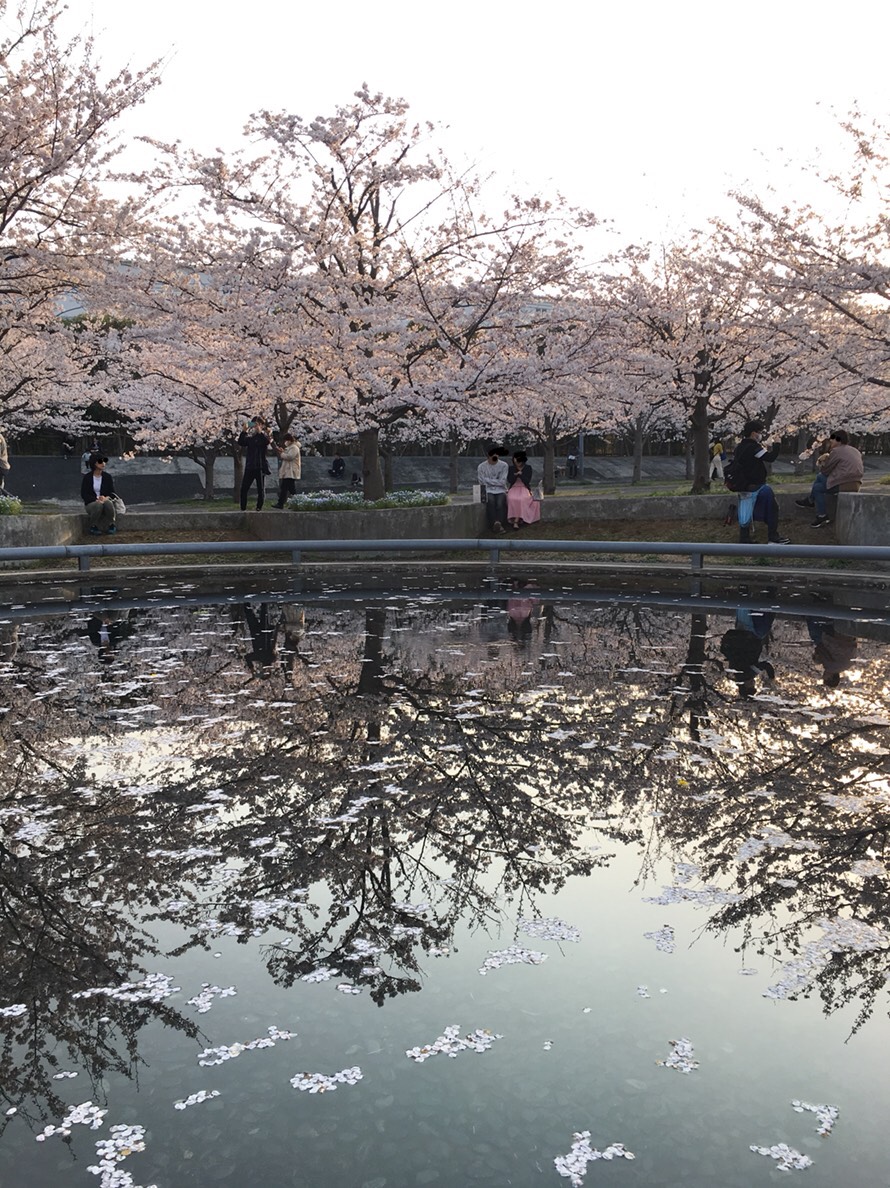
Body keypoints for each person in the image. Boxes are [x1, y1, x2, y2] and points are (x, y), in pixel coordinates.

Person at [730, 420, 790, 544]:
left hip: (742, 485)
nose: (760, 435)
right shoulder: (753, 447)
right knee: (772, 507)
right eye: (759, 432)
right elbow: (770, 458)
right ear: (753, 433)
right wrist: (777, 444)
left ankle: (744, 538)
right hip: (756, 485)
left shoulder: (739, 447)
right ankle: (773, 537)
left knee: (745, 512)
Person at [796, 431, 864, 527]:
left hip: (843, 484)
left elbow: (826, 470)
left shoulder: (837, 451)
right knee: (819, 484)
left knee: (818, 485)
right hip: (856, 484)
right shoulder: (855, 450)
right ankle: (813, 504)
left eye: (832, 439)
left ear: (838, 440)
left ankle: (819, 512)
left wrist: (822, 463)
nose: (830, 441)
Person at [238, 416, 272, 511]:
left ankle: (258, 507)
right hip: (250, 466)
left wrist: (260, 431)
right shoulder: (250, 438)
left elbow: (266, 442)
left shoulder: (265, 436)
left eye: (257, 424)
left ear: (261, 425)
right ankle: (243, 508)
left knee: (260, 489)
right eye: (254, 424)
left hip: (260, 466)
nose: (255, 426)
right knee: (244, 488)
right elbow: (241, 442)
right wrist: (244, 431)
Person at [80, 454, 117, 535]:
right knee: (98, 505)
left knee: (108, 503)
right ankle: (93, 526)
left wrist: (105, 498)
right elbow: (84, 494)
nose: (103, 463)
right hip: (92, 503)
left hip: (105, 501)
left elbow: (112, 493)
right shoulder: (87, 477)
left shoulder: (107, 477)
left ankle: (112, 525)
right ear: (95, 464)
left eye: (104, 461)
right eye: (100, 461)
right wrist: (96, 499)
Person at [476, 446, 509, 533]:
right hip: (488, 490)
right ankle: (494, 523)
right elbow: (481, 481)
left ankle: (499, 523)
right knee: (490, 501)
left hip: (501, 489)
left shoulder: (504, 465)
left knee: (500, 502)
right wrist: (495, 481)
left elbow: (502, 482)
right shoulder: (481, 467)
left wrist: (488, 480)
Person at [506, 451, 541, 529]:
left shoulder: (528, 468)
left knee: (521, 499)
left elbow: (527, 481)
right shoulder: (511, 468)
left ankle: (516, 520)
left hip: (524, 488)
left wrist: (521, 475)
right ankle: (513, 518)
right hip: (514, 487)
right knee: (511, 498)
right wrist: (515, 476)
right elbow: (510, 480)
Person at [273, 433, 301, 508]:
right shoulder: (290, 447)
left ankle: (285, 503)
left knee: (288, 488)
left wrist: (282, 453)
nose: (285, 442)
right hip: (288, 471)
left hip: (291, 471)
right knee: (287, 488)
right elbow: (287, 455)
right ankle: (291, 503)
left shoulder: (294, 447)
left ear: (289, 440)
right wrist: (282, 451)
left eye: (286, 440)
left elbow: (290, 457)